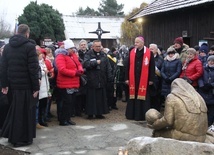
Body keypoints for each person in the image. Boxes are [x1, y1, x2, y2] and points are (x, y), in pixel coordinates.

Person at [0, 24, 40, 147]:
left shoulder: (7, 47)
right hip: (25, 86)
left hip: (12, 85)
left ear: (17, 32)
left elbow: (3, 67)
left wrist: (4, 84)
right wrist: (35, 87)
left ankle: (13, 136)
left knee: (15, 112)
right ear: (27, 33)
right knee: (24, 113)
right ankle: (21, 138)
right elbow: (33, 69)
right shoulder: (30, 47)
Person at [147, 78, 208, 143]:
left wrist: (155, 125)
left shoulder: (172, 97)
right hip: (202, 137)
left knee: (157, 133)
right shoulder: (199, 98)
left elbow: (168, 121)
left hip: (184, 136)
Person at [125, 36, 155, 121]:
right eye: (135, 42)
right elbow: (127, 66)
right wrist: (126, 78)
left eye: (137, 42)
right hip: (133, 78)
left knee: (143, 97)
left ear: (142, 43)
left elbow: (152, 67)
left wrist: (151, 79)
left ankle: (142, 115)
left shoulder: (149, 53)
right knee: (133, 96)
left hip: (144, 80)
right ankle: (132, 114)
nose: (135, 44)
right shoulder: (131, 52)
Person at [55, 39, 83, 126]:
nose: (73, 50)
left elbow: (78, 64)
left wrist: (80, 70)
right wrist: (74, 73)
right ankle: (63, 120)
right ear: (67, 48)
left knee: (71, 102)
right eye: (71, 48)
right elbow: (62, 69)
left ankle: (68, 118)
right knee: (66, 102)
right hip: (65, 83)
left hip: (73, 83)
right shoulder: (60, 56)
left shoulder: (73, 55)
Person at [83, 40, 113, 119]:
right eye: (96, 46)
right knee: (91, 98)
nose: (98, 48)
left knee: (100, 98)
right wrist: (95, 62)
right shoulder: (88, 54)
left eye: (99, 46)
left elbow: (108, 66)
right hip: (92, 80)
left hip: (101, 79)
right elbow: (85, 64)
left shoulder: (103, 55)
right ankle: (90, 113)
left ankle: (99, 113)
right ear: (93, 46)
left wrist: (109, 76)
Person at [198, 55, 214, 126]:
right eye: (210, 61)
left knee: (211, 110)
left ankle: (209, 124)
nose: (211, 62)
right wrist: (202, 85)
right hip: (203, 91)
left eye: (213, 61)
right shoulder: (204, 69)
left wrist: (211, 85)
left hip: (211, 92)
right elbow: (200, 77)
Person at [149, 43, 164, 111]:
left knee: (156, 96)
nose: (150, 50)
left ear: (156, 50)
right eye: (149, 48)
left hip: (157, 80)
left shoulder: (160, 58)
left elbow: (160, 69)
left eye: (152, 49)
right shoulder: (146, 57)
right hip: (148, 79)